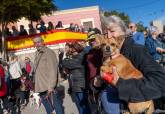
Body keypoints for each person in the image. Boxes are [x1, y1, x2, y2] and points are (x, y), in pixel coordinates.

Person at [101, 15, 165, 110]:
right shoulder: (109, 53)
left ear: (124, 31)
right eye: (105, 33)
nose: (108, 36)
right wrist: (96, 84)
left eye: (112, 31)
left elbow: (160, 81)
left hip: (141, 107)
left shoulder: (137, 50)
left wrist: (121, 84)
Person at [33, 36, 64, 114]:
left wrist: (51, 87)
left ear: (43, 42)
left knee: (57, 107)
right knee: (49, 109)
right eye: (35, 43)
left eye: (39, 42)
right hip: (41, 86)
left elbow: (53, 70)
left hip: (49, 86)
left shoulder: (48, 52)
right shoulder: (37, 53)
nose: (37, 44)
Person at [62, 42, 91, 114]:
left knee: (83, 106)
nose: (71, 53)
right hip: (77, 84)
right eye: (71, 51)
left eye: (72, 51)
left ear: (77, 50)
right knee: (82, 106)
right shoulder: (77, 56)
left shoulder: (81, 57)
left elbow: (67, 63)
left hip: (81, 85)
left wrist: (65, 55)